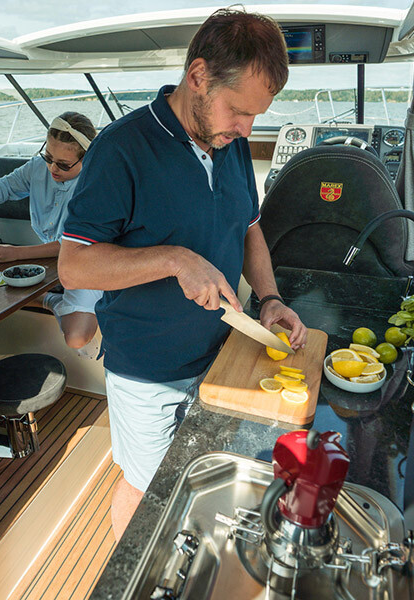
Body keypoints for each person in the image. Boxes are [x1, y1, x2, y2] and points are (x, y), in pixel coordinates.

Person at [58, 8, 309, 538]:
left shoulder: (230, 142)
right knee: (148, 490)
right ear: (198, 76)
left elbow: (249, 227)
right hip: (148, 370)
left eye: (255, 116)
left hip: (222, 356)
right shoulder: (120, 149)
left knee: (202, 482)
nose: (246, 129)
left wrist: (269, 298)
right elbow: (74, 266)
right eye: (238, 110)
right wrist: (174, 259)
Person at [0, 112, 102, 356]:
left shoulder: (97, 184)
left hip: (88, 261)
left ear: (87, 158)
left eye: (63, 164)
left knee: (76, 336)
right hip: (50, 262)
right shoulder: (37, 169)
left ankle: (49, 300)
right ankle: (48, 297)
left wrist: (17, 254)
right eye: (48, 157)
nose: (52, 168)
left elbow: (75, 244)